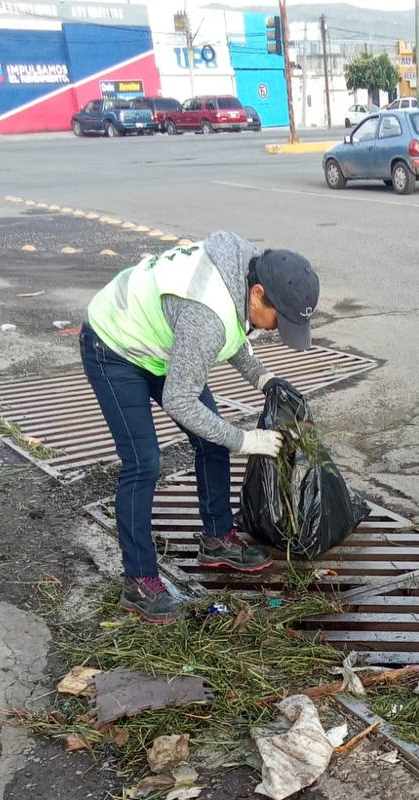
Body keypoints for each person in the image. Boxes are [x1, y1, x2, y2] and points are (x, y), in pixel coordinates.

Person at [80, 232, 319, 623]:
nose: (278, 328)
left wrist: (264, 379)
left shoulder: (248, 267)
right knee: (144, 462)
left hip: (164, 342)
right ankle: (139, 581)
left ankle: (217, 539)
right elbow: (181, 399)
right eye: (280, 318)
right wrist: (246, 440)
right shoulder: (206, 317)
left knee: (212, 441)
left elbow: (236, 331)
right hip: (114, 345)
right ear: (258, 293)